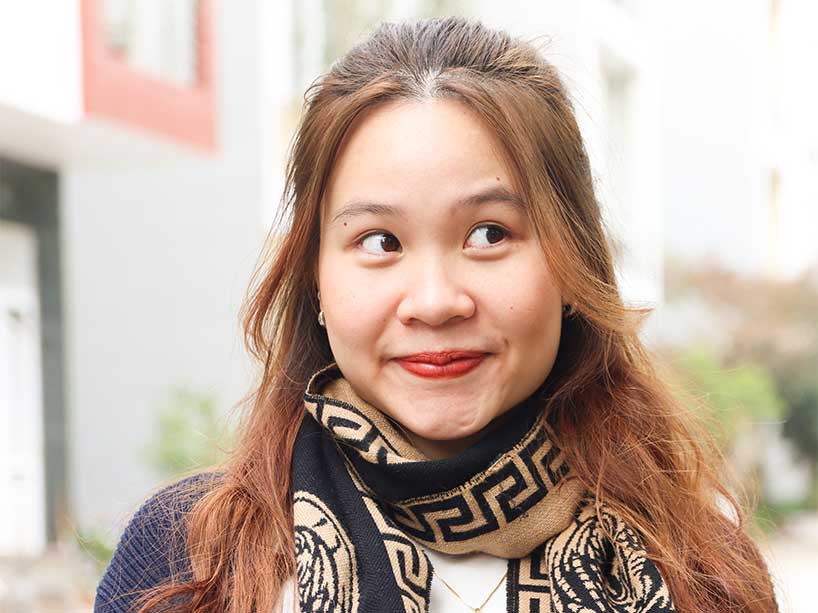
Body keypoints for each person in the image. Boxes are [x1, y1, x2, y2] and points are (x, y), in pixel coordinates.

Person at [94, 16, 779, 613]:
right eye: (380, 242)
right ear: (315, 282)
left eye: (489, 234)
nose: (434, 301)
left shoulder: (700, 570)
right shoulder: (188, 562)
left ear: (572, 263)